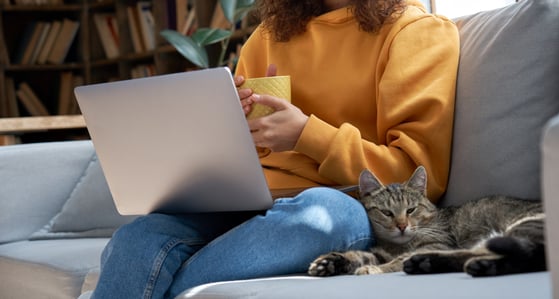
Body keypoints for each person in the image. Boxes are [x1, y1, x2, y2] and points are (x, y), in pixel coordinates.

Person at [90, 0, 459, 298]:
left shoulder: (417, 32)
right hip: (247, 202)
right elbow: (253, 150)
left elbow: (416, 172)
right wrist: (228, 123)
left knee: (327, 215)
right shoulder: (268, 36)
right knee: (138, 238)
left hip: (339, 201)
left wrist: (305, 134)